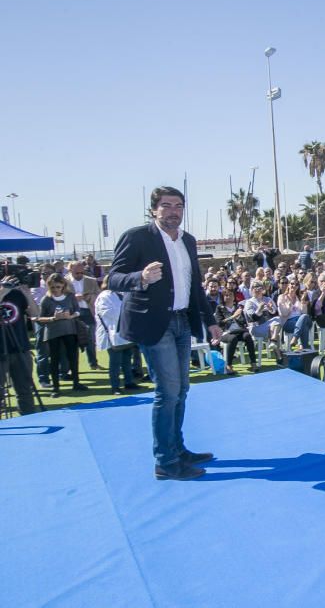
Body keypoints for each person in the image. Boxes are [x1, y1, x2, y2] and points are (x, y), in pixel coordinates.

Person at [108, 186, 222, 481]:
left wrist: (210, 321)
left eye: (179, 206)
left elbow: (195, 285)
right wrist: (141, 278)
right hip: (153, 324)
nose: (174, 211)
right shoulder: (137, 237)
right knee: (167, 392)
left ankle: (178, 450)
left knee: (181, 390)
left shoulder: (189, 241)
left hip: (182, 321)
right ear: (153, 209)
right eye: (167, 205)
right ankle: (165, 461)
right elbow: (113, 278)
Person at [36, 273, 86, 397]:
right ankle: (56, 388)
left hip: (70, 330)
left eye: (58, 286)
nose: (56, 289)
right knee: (54, 360)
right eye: (53, 287)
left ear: (63, 285)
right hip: (53, 333)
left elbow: (78, 311)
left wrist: (70, 316)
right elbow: (40, 318)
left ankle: (76, 383)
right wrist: (53, 318)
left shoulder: (70, 297)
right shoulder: (46, 299)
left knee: (73, 358)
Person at [0, 275, 40, 414]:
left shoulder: (16, 294)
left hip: (20, 347)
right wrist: (3, 291)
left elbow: (36, 313)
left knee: (24, 389)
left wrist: (27, 294)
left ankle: (29, 417)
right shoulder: (5, 291)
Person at [94, 276, 141, 393]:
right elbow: (108, 313)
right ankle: (115, 386)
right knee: (115, 362)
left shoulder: (121, 294)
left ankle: (128, 382)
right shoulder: (104, 296)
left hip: (124, 332)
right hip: (111, 333)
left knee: (126, 359)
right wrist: (126, 313)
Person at [66, 260, 101, 370]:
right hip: (71, 313)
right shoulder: (64, 281)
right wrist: (73, 298)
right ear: (70, 270)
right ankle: (72, 366)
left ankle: (93, 363)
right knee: (72, 340)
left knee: (90, 339)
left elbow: (98, 295)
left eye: (82, 272)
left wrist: (88, 297)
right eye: (77, 273)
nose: (80, 275)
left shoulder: (91, 281)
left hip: (87, 311)